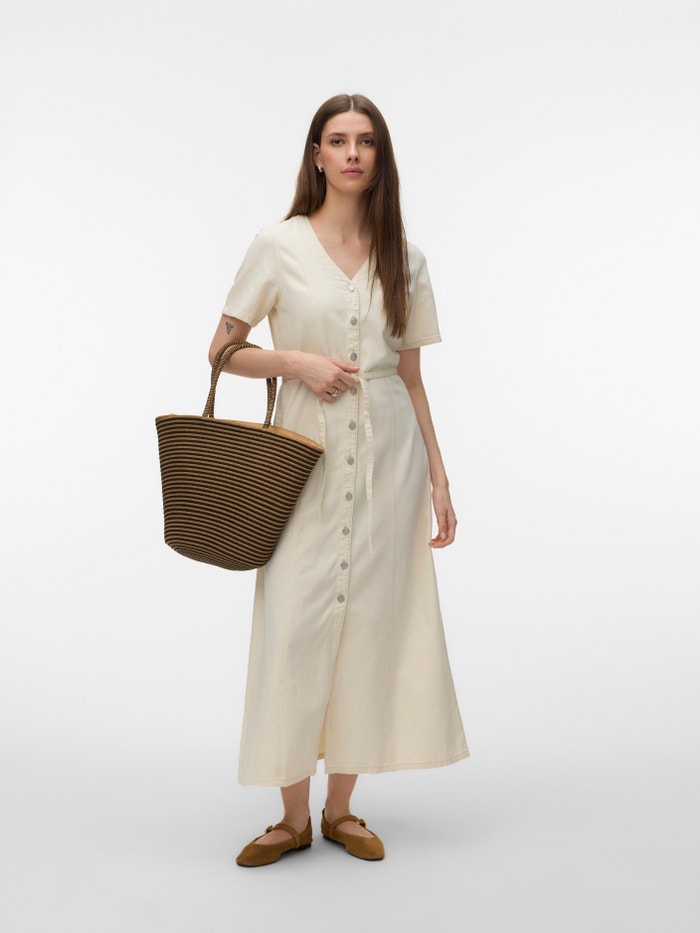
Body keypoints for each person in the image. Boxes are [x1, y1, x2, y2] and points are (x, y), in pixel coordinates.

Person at [208, 93, 468, 867]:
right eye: (338, 140)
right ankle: (291, 817)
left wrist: (440, 477)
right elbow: (220, 350)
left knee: (370, 627)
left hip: (391, 460)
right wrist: (296, 361)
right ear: (316, 155)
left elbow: (412, 377)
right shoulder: (278, 244)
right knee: (294, 624)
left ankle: (341, 808)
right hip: (303, 456)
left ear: (380, 157)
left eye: (366, 141)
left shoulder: (405, 258)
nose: (352, 153)